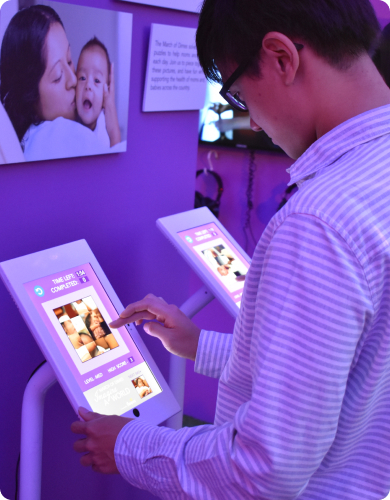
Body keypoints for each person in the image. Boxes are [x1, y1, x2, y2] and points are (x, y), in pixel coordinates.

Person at [71, 0, 390, 498]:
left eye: (239, 95)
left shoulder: (318, 223)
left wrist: (128, 445)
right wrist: (201, 345)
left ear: (282, 58)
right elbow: (341, 372)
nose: (255, 123)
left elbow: (264, 469)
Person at [0, 5, 120, 162]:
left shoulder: (29, 139)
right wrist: (114, 132)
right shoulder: (59, 134)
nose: (73, 79)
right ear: (29, 95)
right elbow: (115, 171)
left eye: (69, 61)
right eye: (57, 76)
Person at [76, 37, 120, 148]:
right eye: (82, 78)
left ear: (107, 91)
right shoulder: (69, 121)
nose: (88, 86)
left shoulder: (105, 130)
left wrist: (114, 133)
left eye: (96, 80)